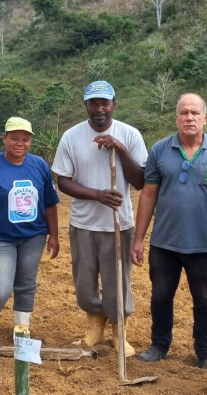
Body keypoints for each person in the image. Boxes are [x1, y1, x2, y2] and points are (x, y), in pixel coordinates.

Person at [130, 93, 207, 374]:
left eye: (194, 113)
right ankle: (159, 345)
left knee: (204, 300)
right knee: (160, 296)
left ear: (205, 118)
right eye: (183, 113)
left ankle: (205, 354)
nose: (189, 118)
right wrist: (138, 239)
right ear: (176, 117)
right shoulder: (159, 150)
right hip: (164, 243)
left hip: (203, 245)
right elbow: (148, 195)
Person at [51, 80, 148, 356]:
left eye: (105, 103)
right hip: (83, 224)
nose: (99, 108)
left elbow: (139, 181)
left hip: (120, 224)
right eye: (94, 103)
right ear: (86, 106)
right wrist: (97, 195)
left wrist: (121, 149)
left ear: (114, 104)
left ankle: (119, 331)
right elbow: (64, 182)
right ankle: (95, 325)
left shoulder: (130, 135)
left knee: (118, 281)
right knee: (84, 283)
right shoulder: (71, 136)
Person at [0, 117, 60, 349]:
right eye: (14, 138)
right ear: (4, 138)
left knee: (26, 283)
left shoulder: (39, 166)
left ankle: (21, 330)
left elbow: (50, 203)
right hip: (0, 239)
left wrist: (54, 235)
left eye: (25, 139)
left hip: (33, 236)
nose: (20, 143)